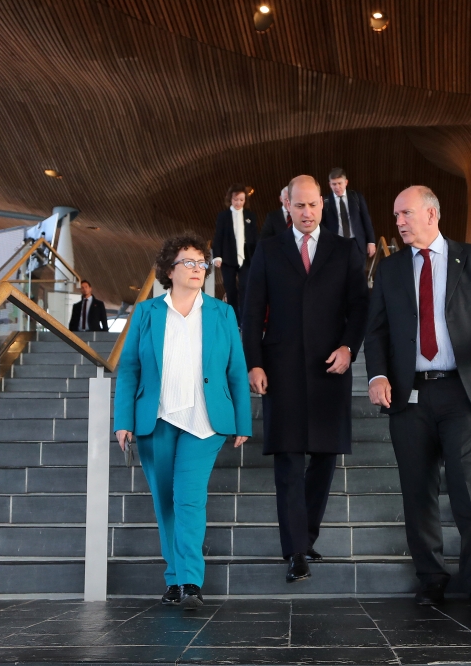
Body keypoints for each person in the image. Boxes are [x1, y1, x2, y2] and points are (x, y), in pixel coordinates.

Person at [365, 186, 471, 609]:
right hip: (408, 396)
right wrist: (378, 376)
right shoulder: (390, 269)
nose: (398, 222)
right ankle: (431, 578)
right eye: (396, 214)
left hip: (462, 389)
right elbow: (377, 330)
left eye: (406, 213)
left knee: (467, 486)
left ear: (431, 214)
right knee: (417, 491)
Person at [114, 235, 252, 610]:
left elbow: (236, 371)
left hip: (204, 421)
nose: (197, 269)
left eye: (201, 263)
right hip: (155, 419)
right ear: (169, 270)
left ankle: (189, 579)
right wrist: (123, 419)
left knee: (189, 499)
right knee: (165, 502)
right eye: (188, 262)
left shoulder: (222, 313)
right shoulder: (147, 312)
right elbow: (128, 369)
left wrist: (243, 421)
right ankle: (174, 578)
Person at [242, 175, 368, 583]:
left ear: (323, 206)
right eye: (300, 206)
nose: (307, 213)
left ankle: (307, 534)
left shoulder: (345, 250)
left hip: (331, 368)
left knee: (325, 458)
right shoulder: (268, 249)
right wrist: (254, 363)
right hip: (281, 369)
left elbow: (359, 307)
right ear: (288, 208)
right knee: (289, 460)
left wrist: (350, 347)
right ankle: (296, 549)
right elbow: (252, 310)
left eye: (313, 205)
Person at [212, 184, 259, 322]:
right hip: (227, 256)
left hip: (246, 257)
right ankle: (233, 320)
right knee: (230, 289)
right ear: (230, 199)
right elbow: (218, 236)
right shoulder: (223, 216)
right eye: (236, 199)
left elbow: (254, 237)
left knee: (245, 287)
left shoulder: (250, 216)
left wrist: (257, 258)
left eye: (241, 200)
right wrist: (217, 256)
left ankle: (245, 319)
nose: (238, 202)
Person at [322, 168, 376, 259]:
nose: (337, 187)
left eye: (340, 183)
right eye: (334, 184)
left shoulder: (356, 197)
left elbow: (366, 219)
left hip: (357, 242)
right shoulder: (325, 201)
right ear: (329, 184)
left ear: (346, 182)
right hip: (336, 243)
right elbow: (322, 224)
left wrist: (371, 241)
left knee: (358, 271)